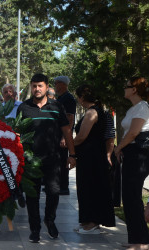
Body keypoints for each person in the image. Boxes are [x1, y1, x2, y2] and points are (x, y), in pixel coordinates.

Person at [16, 73, 76, 243]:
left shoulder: (56, 107)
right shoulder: (24, 108)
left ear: (46, 86)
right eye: (34, 86)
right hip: (30, 160)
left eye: (40, 86)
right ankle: (34, 228)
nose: (37, 89)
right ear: (31, 87)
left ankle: (50, 220)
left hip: (53, 158)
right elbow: (18, 133)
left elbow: (66, 131)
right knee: (32, 195)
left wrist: (72, 154)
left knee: (54, 192)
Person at [73, 84, 115, 234]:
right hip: (90, 156)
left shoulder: (92, 112)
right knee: (85, 187)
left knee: (90, 188)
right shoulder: (99, 111)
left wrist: (68, 145)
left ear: (82, 97)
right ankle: (86, 220)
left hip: (91, 157)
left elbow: (82, 136)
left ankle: (93, 222)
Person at [114, 77, 149, 249]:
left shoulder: (142, 107)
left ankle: (142, 241)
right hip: (131, 153)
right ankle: (135, 239)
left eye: (126, 86)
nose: (124, 88)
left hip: (139, 154)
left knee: (133, 196)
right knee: (128, 196)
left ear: (134, 89)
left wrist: (118, 147)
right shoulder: (133, 108)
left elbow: (134, 132)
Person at [54, 76, 76, 195]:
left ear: (63, 84)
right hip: (57, 134)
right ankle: (57, 184)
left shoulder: (68, 98)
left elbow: (70, 118)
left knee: (63, 161)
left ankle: (64, 186)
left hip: (63, 135)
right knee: (57, 161)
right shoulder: (61, 98)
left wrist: (64, 137)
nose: (55, 86)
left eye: (57, 83)